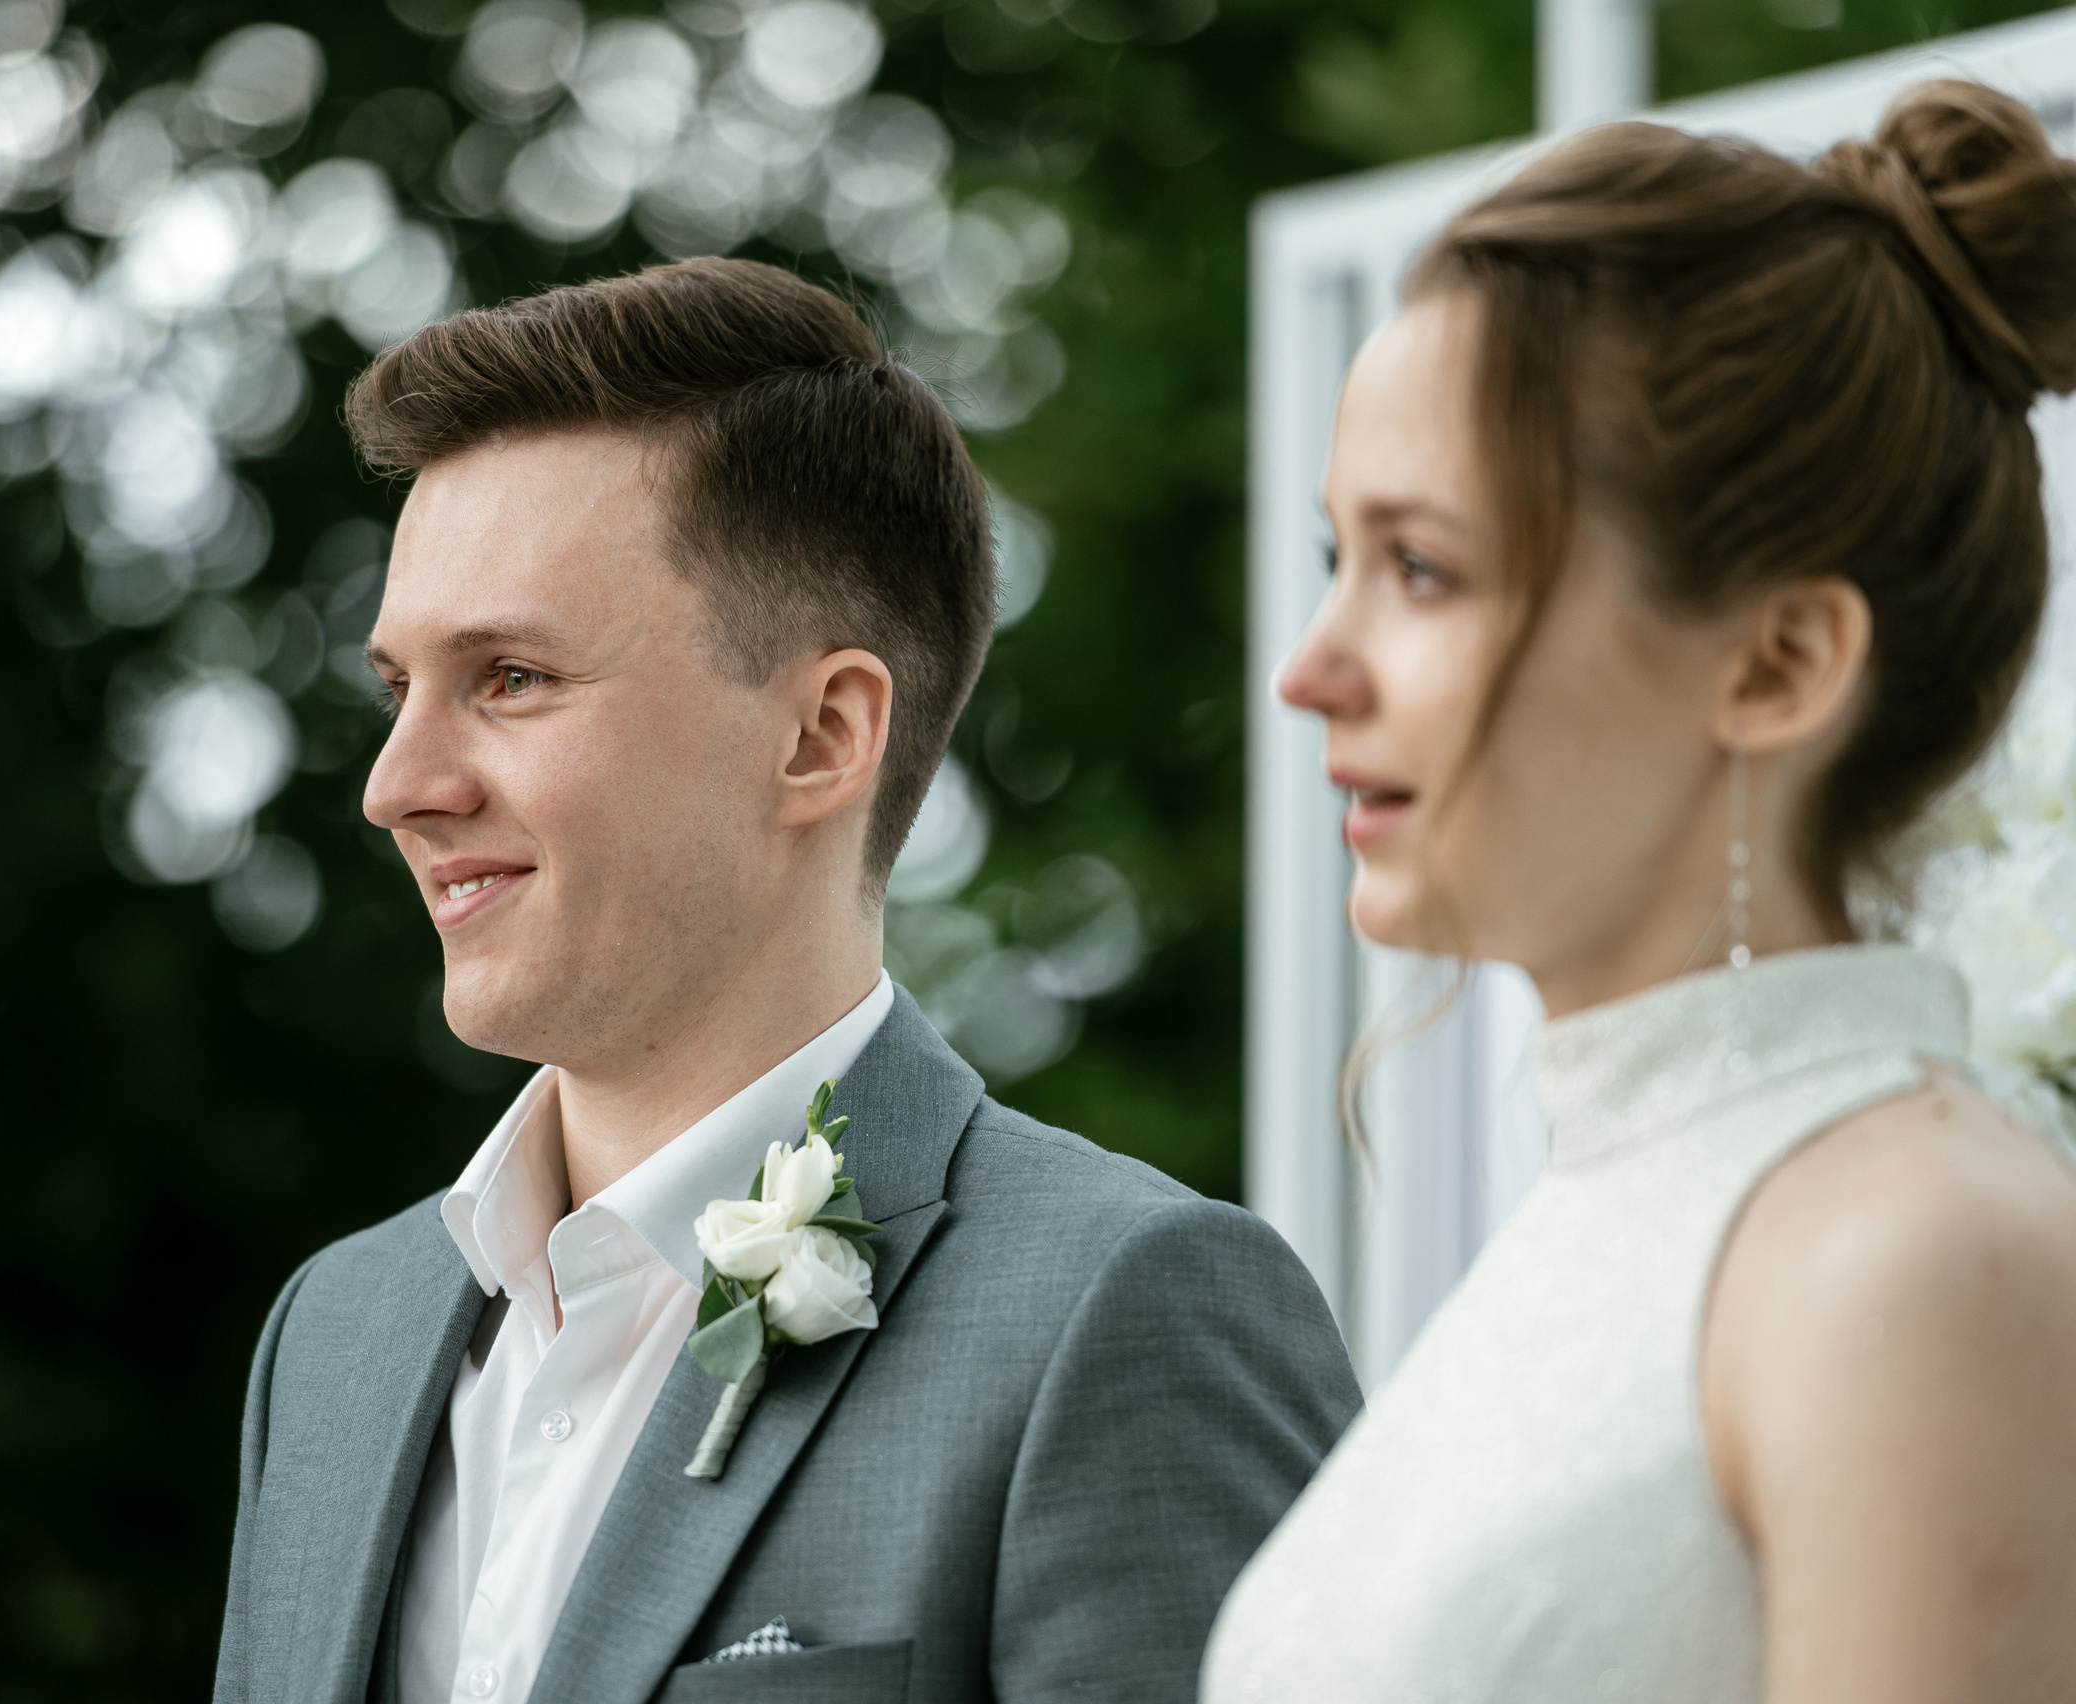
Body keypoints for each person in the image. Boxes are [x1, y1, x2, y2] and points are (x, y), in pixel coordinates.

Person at [210, 258, 1361, 1704]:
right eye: (398, 689)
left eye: (509, 677)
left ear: (822, 734)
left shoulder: (1120, 1313)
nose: (398, 787)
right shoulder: (336, 1339)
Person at [1205, 81, 2076, 1704]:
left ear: (1777, 662)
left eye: (1423, 570)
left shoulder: (1921, 1261)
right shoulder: (1605, 1214)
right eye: (1337, 556)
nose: (1309, 669)